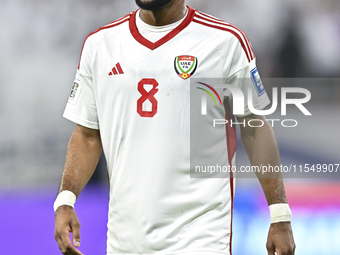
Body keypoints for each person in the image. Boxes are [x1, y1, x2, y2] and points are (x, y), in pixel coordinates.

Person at [54, 0, 296, 254]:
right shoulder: (100, 45)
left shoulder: (225, 43)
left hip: (201, 237)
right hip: (125, 241)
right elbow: (88, 135)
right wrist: (65, 200)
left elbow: (253, 128)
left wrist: (279, 214)